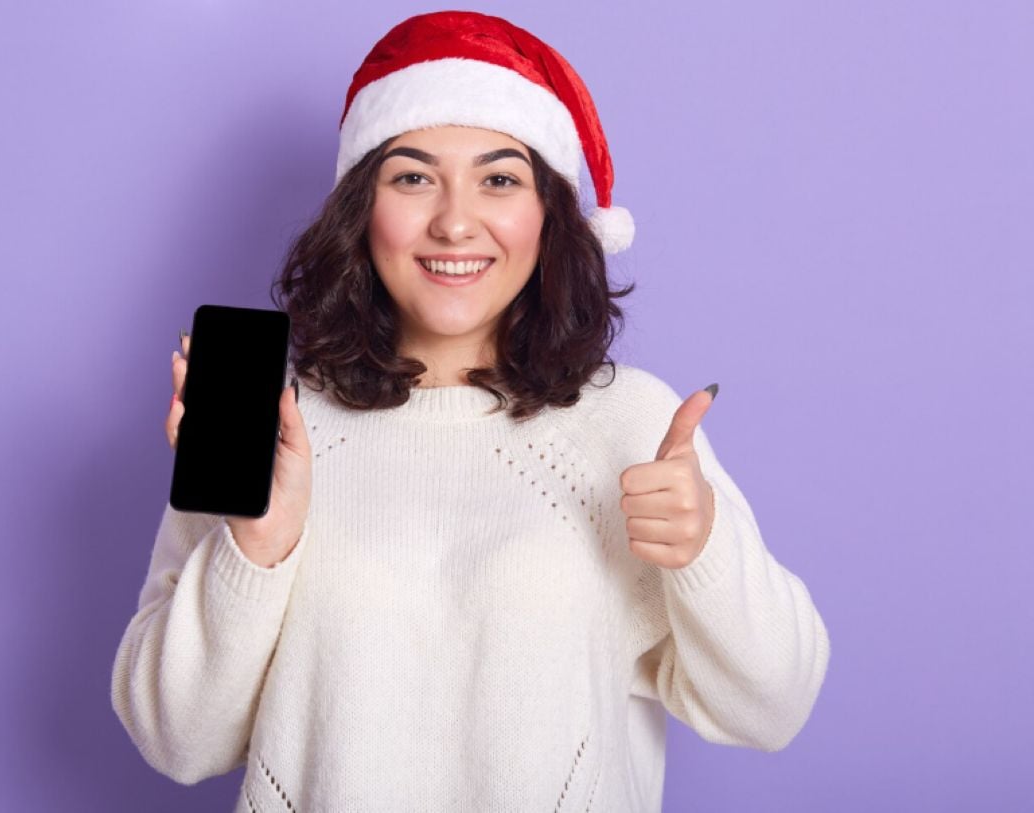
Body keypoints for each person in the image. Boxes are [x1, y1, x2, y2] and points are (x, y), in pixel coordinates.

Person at [111, 10, 830, 812]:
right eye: (413, 177)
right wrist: (254, 546)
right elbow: (176, 742)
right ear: (362, 209)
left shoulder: (630, 423)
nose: (455, 222)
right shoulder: (273, 427)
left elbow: (773, 707)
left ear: (550, 213)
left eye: (499, 179)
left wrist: (704, 551)